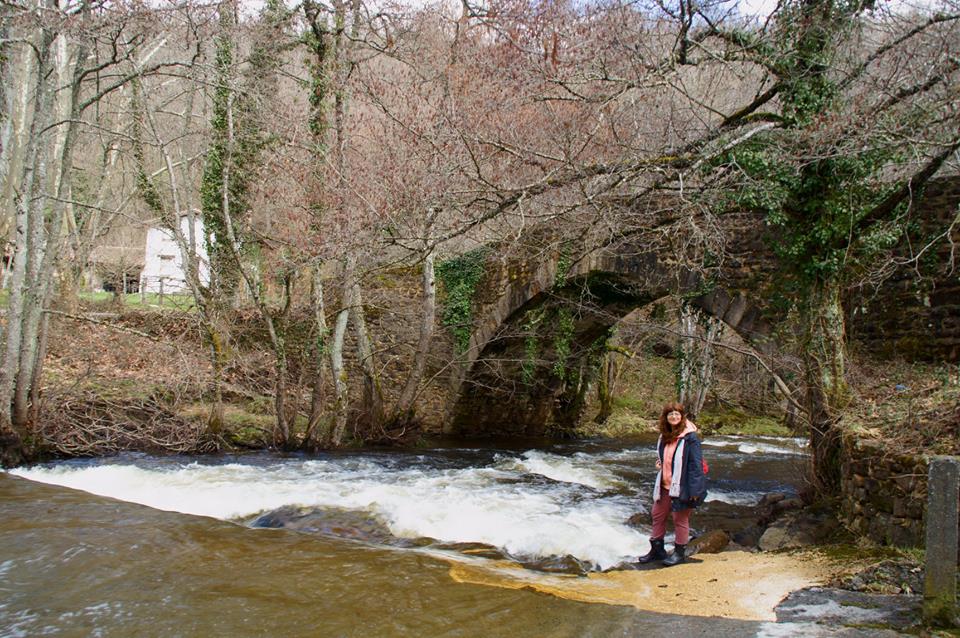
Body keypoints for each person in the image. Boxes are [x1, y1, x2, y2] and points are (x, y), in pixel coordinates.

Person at [636, 402, 707, 566]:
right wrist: (660, 463)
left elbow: (696, 465)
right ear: (666, 417)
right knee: (657, 515)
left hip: (683, 486)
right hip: (664, 484)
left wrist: (695, 490)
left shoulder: (690, 438)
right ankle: (657, 550)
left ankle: (679, 554)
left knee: (680, 519)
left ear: (682, 417)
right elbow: (666, 457)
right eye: (670, 414)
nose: (674, 417)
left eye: (677, 414)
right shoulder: (664, 435)